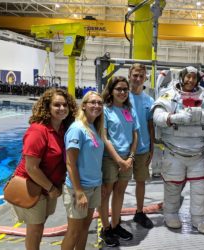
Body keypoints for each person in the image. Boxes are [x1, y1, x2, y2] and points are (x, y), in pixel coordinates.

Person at [153, 66, 204, 234]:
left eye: (193, 77)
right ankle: (170, 213)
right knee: (172, 187)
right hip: (174, 153)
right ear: (182, 78)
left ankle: (199, 218)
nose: (190, 80)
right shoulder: (170, 96)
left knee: (200, 189)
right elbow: (157, 115)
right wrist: (175, 117)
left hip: (198, 154)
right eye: (188, 77)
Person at [11, 88, 77, 250]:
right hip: (33, 186)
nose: (62, 108)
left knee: (40, 224)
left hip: (49, 187)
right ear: (47, 107)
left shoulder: (62, 129)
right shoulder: (38, 131)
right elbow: (31, 167)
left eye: (65, 105)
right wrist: (51, 188)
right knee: (35, 229)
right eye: (57, 105)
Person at [61, 91, 105, 249]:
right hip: (79, 189)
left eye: (100, 103)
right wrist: (79, 192)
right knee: (74, 232)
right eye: (93, 102)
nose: (97, 105)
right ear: (84, 106)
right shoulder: (77, 128)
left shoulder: (94, 127)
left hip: (94, 186)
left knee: (85, 229)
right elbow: (70, 163)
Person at [99, 76, 139, 245]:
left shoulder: (129, 109)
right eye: (119, 89)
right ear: (111, 91)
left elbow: (135, 134)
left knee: (120, 192)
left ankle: (116, 224)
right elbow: (104, 137)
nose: (122, 92)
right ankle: (106, 228)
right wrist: (119, 160)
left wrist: (130, 157)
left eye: (125, 89)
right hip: (110, 158)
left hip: (127, 158)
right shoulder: (105, 110)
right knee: (106, 193)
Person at [128, 63, 155, 229]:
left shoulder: (149, 100)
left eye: (141, 76)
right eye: (135, 75)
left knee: (141, 181)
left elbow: (150, 125)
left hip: (143, 148)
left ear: (145, 78)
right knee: (118, 185)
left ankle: (139, 212)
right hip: (123, 149)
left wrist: (152, 147)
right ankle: (114, 218)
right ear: (130, 75)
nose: (138, 79)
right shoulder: (122, 96)